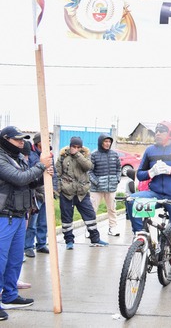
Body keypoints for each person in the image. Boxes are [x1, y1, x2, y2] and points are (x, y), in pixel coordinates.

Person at [126, 121, 171, 295]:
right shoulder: (150, 151)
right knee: (131, 200)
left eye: (161, 131)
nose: (157, 133)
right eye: (156, 131)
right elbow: (139, 174)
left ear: (170, 133)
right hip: (154, 193)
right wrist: (150, 173)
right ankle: (139, 236)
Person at [0, 126, 53, 320]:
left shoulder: (17, 158)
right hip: (3, 217)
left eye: (23, 140)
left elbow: (28, 182)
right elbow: (18, 178)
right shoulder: (1, 158)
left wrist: (42, 176)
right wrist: (40, 165)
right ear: (6, 139)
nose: (22, 143)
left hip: (19, 215)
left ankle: (10, 295)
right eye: (18, 140)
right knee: (0, 261)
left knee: (14, 261)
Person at [56, 136, 109, 250]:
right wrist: (58, 189)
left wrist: (77, 154)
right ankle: (69, 241)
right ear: (69, 146)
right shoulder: (62, 157)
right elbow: (57, 173)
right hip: (66, 193)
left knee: (90, 215)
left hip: (82, 192)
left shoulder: (85, 155)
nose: (75, 148)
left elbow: (88, 167)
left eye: (78, 147)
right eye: (73, 146)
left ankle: (95, 239)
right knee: (66, 218)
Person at [24, 133, 55, 257]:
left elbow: (54, 173)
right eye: (45, 140)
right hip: (36, 193)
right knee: (32, 223)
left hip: (47, 192)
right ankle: (28, 246)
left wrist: (54, 189)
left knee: (43, 222)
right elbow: (30, 174)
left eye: (49, 140)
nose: (48, 142)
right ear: (38, 142)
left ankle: (41, 244)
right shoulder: (31, 155)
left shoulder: (49, 155)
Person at [88, 133, 121, 236]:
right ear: (100, 142)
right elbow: (89, 171)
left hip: (111, 188)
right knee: (92, 209)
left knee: (112, 209)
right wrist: (96, 182)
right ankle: (90, 230)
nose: (108, 143)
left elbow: (119, 169)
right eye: (105, 141)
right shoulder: (94, 155)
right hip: (96, 189)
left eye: (109, 142)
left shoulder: (114, 155)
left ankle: (112, 228)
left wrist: (117, 179)